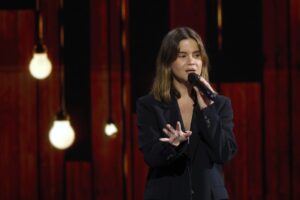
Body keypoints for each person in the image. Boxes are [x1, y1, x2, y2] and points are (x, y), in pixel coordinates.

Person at [136, 27, 237, 200]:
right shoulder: (150, 105)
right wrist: (172, 145)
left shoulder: (219, 104)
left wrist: (208, 110)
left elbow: (225, 153)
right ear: (168, 62)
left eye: (196, 55)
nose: (191, 62)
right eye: (182, 56)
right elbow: (151, 157)